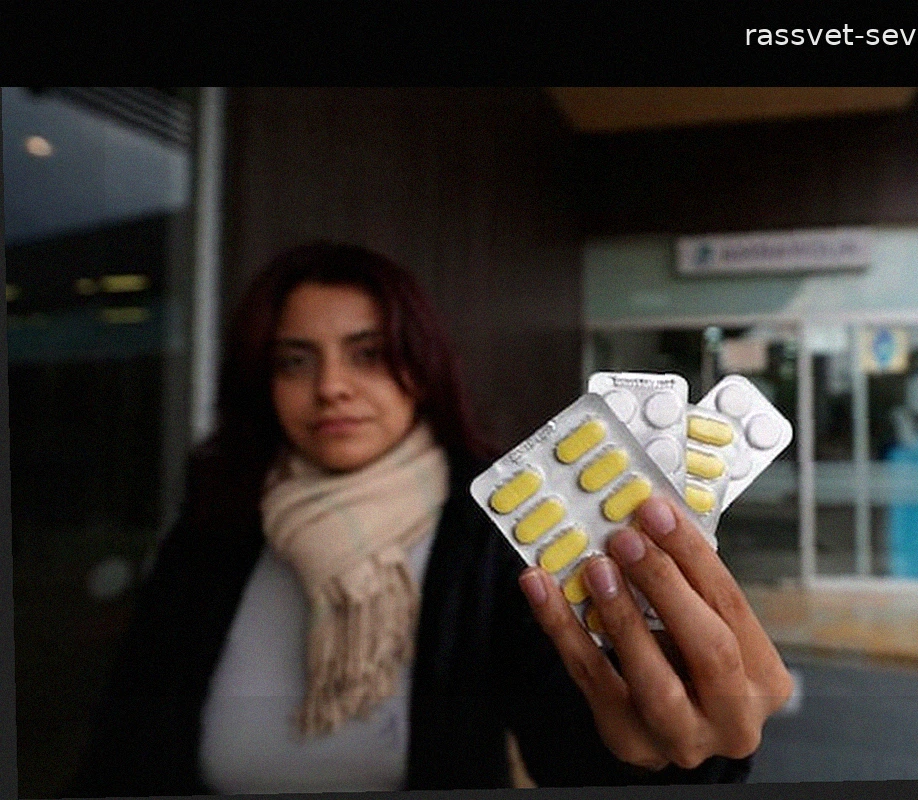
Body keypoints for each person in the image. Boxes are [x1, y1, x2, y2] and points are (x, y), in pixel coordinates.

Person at [69, 242, 793, 794]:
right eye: (295, 361)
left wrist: (677, 752)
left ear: (422, 366)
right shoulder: (214, 529)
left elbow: (581, 745)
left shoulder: (494, 535)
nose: (331, 387)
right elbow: (124, 741)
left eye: (369, 355)